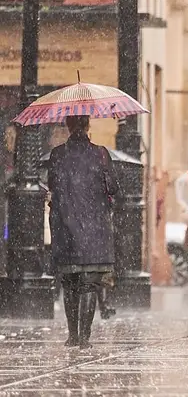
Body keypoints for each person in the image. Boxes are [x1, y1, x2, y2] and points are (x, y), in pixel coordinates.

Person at [47, 115, 119, 348]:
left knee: (70, 281)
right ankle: (85, 338)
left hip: (66, 225)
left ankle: (73, 335)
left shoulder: (58, 154)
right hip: (95, 227)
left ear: (68, 126)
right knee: (89, 281)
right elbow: (114, 188)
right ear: (88, 126)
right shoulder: (100, 153)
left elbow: (52, 185)